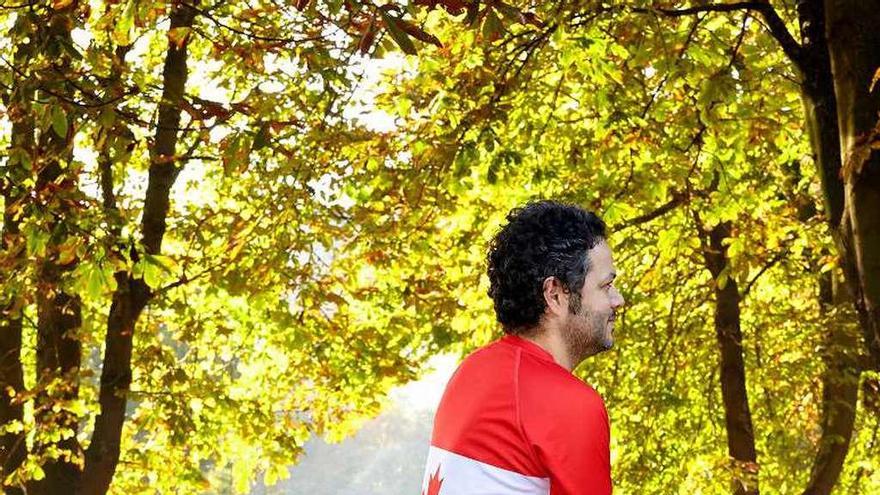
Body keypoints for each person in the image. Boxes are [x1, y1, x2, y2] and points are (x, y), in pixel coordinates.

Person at [421, 200, 625, 495]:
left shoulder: (470, 373)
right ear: (555, 295)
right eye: (606, 286)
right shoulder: (569, 404)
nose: (618, 300)